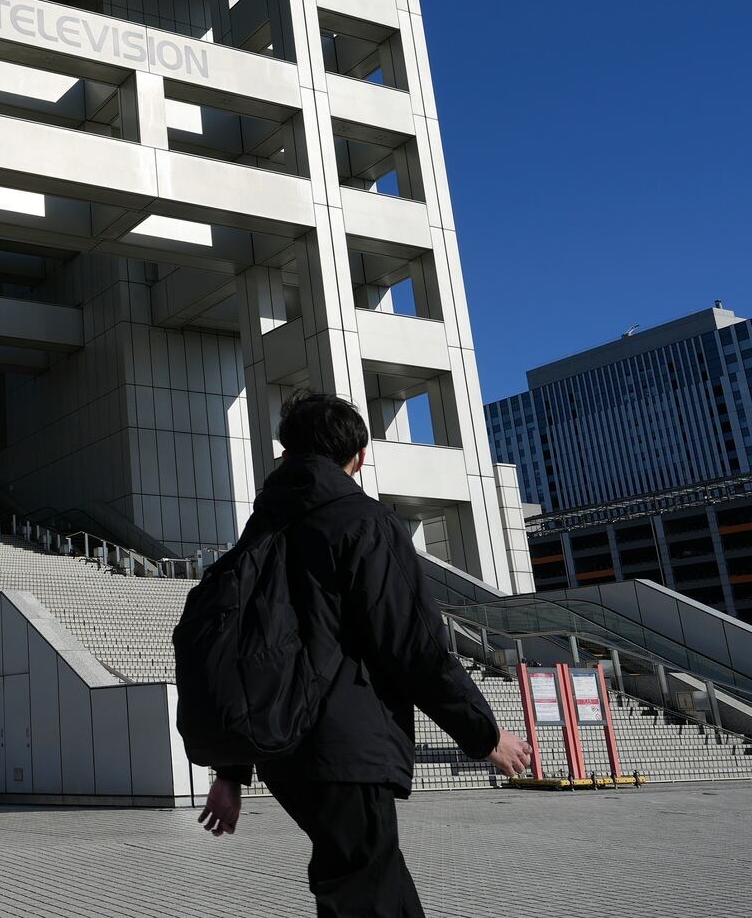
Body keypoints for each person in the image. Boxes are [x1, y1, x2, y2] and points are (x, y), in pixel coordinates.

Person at [196, 392, 533, 916]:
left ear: (288, 452)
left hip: (283, 749)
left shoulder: (262, 528)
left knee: (365, 881)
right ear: (360, 455)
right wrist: (482, 734)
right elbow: (413, 645)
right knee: (365, 890)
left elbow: (246, 649)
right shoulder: (364, 522)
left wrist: (232, 771)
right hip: (344, 747)